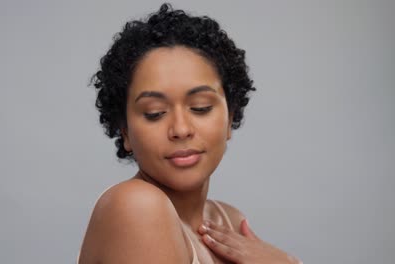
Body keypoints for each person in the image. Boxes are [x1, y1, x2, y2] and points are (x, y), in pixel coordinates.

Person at [78, 3, 302, 264]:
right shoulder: (137, 207)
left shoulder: (230, 222)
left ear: (230, 118)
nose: (181, 129)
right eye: (155, 112)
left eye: (200, 107)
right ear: (125, 131)